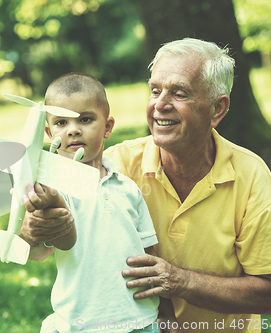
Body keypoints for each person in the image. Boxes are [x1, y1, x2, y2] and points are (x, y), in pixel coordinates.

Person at [20, 38, 271, 333]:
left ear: (217, 109)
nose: (160, 105)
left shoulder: (251, 177)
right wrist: (33, 231)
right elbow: (43, 246)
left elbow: (268, 296)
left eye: (179, 93)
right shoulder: (111, 166)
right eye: (155, 90)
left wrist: (180, 281)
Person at [22, 72, 178, 333]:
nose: (73, 129)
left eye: (85, 119)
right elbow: (36, 249)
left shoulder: (128, 188)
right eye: (61, 122)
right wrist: (33, 224)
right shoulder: (50, 189)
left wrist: (167, 315)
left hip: (140, 320)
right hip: (81, 323)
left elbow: (151, 257)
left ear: (107, 127)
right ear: (49, 133)